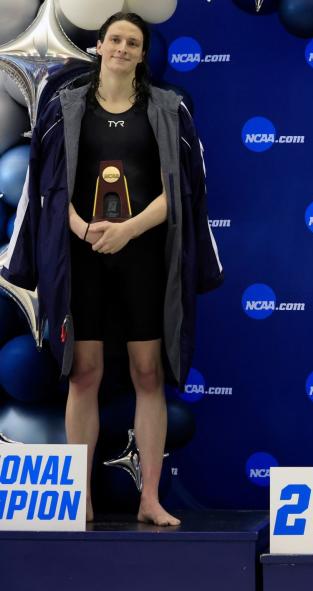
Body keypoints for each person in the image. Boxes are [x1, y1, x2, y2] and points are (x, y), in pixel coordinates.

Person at [1, 13, 223, 525]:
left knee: (149, 375)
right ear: (99, 47)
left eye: (134, 42)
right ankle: (79, 497)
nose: (123, 48)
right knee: (84, 374)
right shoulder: (65, 106)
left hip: (145, 259)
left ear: (143, 54)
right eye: (115, 40)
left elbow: (184, 192)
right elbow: (47, 186)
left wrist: (128, 229)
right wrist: (80, 229)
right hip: (82, 262)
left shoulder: (170, 109)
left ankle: (149, 499)